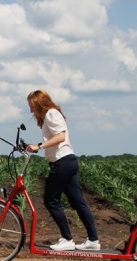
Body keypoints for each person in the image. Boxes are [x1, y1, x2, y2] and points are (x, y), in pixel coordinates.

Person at [25, 90, 100, 251]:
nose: (31, 110)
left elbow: (60, 136)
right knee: (78, 202)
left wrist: (39, 146)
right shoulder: (49, 116)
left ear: (39, 104)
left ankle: (67, 239)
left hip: (62, 162)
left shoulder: (51, 113)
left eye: (32, 106)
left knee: (51, 200)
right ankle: (93, 240)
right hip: (68, 161)